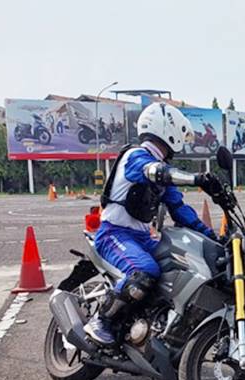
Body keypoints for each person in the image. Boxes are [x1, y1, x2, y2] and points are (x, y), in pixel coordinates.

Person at [83, 103, 224, 346]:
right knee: (144, 271)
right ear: (168, 129)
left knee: (178, 266)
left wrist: (213, 238)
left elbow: (181, 211)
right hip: (114, 234)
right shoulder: (136, 157)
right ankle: (101, 320)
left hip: (141, 238)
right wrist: (197, 179)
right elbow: (152, 171)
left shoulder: (162, 173)